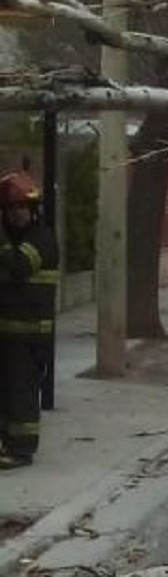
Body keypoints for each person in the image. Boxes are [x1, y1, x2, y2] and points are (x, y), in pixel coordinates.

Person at [0, 171, 58, 470]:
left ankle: (22, 450)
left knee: (21, 392)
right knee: (8, 392)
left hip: (30, 334)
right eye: (11, 208)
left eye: (22, 207)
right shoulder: (12, 240)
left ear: (33, 209)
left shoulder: (41, 238)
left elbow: (20, 267)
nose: (17, 213)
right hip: (9, 333)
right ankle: (7, 443)